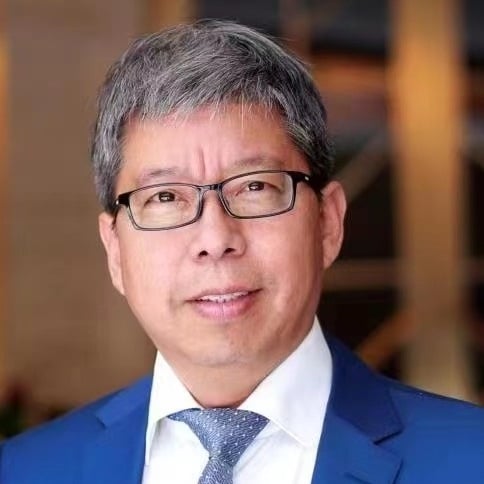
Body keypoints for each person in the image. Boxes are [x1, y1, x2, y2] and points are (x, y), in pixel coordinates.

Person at [1, 19, 483, 484]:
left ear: (328, 223)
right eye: (165, 197)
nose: (215, 239)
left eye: (254, 187)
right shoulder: (23, 471)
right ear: (115, 250)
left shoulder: (470, 458)